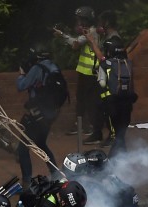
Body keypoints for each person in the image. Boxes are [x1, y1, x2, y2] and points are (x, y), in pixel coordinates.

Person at [15, 45, 63, 183]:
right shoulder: (54, 68)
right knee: (41, 143)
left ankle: (27, 183)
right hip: (50, 115)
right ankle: (55, 174)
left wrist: (22, 74)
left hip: (36, 115)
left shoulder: (38, 69)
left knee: (23, 148)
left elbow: (21, 86)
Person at [57, 6, 104, 141]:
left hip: (91, 72)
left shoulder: (92, 33)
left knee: (89, 100)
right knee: (82, 99)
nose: (78, 21)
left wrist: (62, 35)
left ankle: (90, 127)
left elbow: (76, 44)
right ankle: (82, 125)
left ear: (86, 19)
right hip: (85, 71)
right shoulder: (89, 31)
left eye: (80, 19)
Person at [97, 36, 136, 158]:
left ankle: (110, 163)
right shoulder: (128, 63)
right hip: (127, 103)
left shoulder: (105, 64)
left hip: (112, 104)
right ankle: (125, 161)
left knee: (117, 136)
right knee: (121, 134)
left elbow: (102, 83)